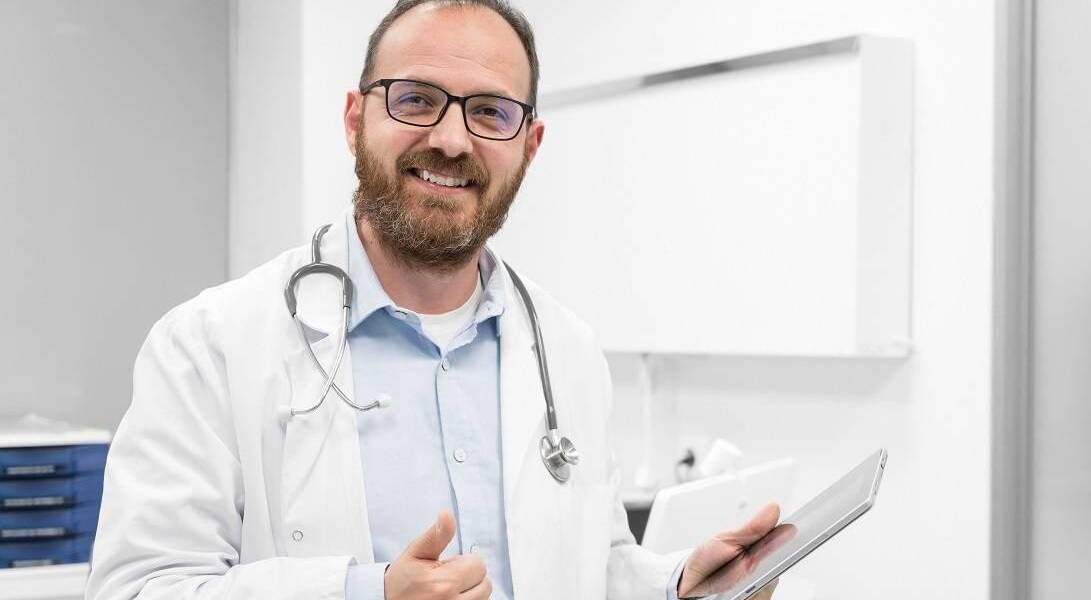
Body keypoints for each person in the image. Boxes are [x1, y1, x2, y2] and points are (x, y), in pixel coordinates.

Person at [85, 1, 780, 598]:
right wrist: (362, 592)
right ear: (355, 118)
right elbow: (140, 588)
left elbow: (583, 567)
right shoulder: (209, 344)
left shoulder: (566, 351)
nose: (451, 140)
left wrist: (675, 583)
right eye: (416, 98)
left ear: (529, 146)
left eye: (490, 112)